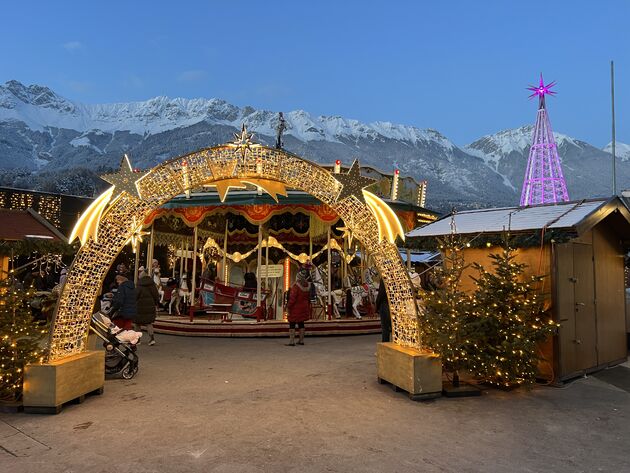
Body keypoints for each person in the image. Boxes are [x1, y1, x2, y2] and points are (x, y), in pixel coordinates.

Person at [286, 268, 311, 346]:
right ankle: (301, 340)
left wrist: (288, 306)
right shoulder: (307, 285)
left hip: (295, 308)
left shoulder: (296, 287)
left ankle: (291, 341)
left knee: (292, 323)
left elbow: (293, 298)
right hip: (304, 307)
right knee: (301, 323)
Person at [135, 272, 160, 346]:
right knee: (148, 323)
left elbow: (136, 295)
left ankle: (138, 340)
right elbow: (156, 295)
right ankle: (152, 339)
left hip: (139, 306)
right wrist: (155, 304)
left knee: (137, 323)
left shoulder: (139, 285)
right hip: (150, 305)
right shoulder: (152, 285)